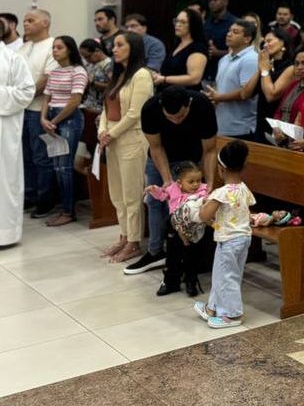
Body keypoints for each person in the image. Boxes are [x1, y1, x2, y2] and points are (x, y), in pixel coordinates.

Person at [135, 84, 219, 275]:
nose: (175, 121)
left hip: (192, 160)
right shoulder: (150, 109)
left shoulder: (202, 105)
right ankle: (155, 252)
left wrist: (211, 184)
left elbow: (210, 150)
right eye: (169, 117)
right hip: (161, 156)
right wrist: (167, 180)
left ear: (188, 104)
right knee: (155, 202)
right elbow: (156, 148)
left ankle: (190, 255)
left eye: (180, 116)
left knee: (192, 206)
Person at [97, 32, 155, 264]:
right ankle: (123, 235)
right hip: (112, 138)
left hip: (131, 138)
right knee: (117, 193)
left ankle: (133, 242)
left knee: (131, 194)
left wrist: (111, 133)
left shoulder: (142, 75)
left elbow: (135, 113)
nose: (114, 48)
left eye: (120, 45)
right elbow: (105, 106)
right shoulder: (119, 74)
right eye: (114, 45)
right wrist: (102, 129)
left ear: (134, 48)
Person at [195, 140, 257, 328]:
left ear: (220, 168)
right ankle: (213, 307)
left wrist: (204, 206)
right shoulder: (244, 189)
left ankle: (232, 315)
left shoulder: (221, 193)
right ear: (243, 166)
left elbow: (203, 215)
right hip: (244, 238)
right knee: (224, 274)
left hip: (228, 241)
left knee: (226, 276)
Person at [36, 36, 88, 224]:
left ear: (69, 50)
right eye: (53, 48)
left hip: (69, 119)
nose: (55, 51)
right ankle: (65, 208)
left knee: (65, 167)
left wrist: (54, 121)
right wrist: (43, 118)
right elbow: (46, 97)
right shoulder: (55, 71)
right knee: (57, 166)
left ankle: (68, 212)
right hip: (53, 118)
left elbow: (74, 101)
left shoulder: (78, 71)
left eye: (59, 47)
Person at [147, 161, 211, 297]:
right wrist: (154, 190)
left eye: (198, 181)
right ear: (180, 182)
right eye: (191, 181)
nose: (195, 184)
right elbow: (162, 196)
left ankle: (191, 281)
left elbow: (204, 205)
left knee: (192, 256)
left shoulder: (202, 191)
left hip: (193, 229)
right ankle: (171, 281)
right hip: (174, 226)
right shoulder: (173, 188)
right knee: (173, 254)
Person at [18, 9, 56, 213]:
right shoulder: (23, 48)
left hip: (38, 109)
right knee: (24, 155)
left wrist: (22, 95)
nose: (25, 24)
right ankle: (30, 195)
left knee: (41, 156)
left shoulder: (53, 45)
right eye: (24, 20)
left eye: (30, 20)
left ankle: (45, 198)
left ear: (45, 23)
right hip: (20, 109)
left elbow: (46, 79)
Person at [0, 26, 35, 246]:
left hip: (3, 131)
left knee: (4, 180)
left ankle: (5, 234)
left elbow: (26, 92)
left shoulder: (12, 58)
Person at [207, 20, 259, 139]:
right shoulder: (224, 58)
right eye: (229, 31)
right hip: (221, 124)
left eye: (235, 32)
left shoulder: (251, 59)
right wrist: (212, 96)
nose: (229, 34)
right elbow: (219, 87)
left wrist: (219, 97)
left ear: (247, 38)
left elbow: (246, 92)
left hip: (240, 127)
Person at [249, 28, 296, 141]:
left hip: (277, 124)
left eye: (269, 41)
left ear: (283, 42)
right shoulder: (267, 65)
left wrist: (265, 70)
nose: (265, 45)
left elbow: (271, 95)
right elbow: (246, 93)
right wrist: (260, 68)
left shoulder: (291, 67)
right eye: (264, 42)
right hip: (260, 120)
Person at [268, 47, 304, 140]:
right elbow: (279, 111)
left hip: (299, 140)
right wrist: (276, 127)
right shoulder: (293, 85)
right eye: (296, 64)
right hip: (280, 138)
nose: (299, 67)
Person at [154, 9, 208, 90]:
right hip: (167, 94)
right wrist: (157, 75)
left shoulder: (198, 47)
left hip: (186, 96)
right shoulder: (177, 45)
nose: (177, 25)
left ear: (193, 25)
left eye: (183, 22)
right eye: (176, 21)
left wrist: (164, 79)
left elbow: (194, 79)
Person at [203, 0, 238, 80]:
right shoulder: (207, 23)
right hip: (206, 72)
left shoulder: (234, 23)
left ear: (225, 2)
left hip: (226, 72)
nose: (212, 3)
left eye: (215, 0)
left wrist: (218, 52)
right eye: (210, 1)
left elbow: (241, 50)